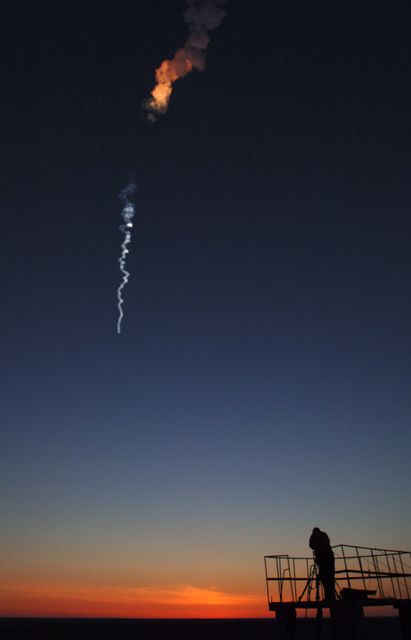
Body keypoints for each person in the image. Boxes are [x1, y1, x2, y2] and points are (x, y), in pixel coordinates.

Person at [309, 527, 335, 601]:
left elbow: (311, 545)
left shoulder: (314, 535)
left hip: (322, 558)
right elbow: (328, 542)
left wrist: (316, 547)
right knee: (331, 576)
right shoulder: (324, 534)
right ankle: (330, 595)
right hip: (330, 556)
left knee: (324, 576)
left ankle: (329, 596)